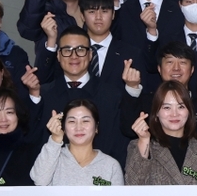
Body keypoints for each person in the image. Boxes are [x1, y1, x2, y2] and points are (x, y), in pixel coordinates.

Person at [26, 26, 131, 165]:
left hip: (100, 180)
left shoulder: (112, 95)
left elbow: (119, 146)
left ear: (90, 55)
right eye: (67, 50)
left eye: (80, 50)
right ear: (58, 55)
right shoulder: (42, 95)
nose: (74, 56)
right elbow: (31, 140)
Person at [120, 40, 197, 150]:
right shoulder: (148, 103)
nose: (176, 68)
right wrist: (132, 88)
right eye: (169, 62)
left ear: (192, 70)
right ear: (159, 69)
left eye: (182, 62)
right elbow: (129, 130)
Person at [39, 0, 147, 88]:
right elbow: (44, 80)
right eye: (92, 12)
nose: (98, 17)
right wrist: (52, 40)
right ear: (82, 16)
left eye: (104, 11)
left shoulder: (131, 55)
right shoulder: (68, 51)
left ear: (113, 14)